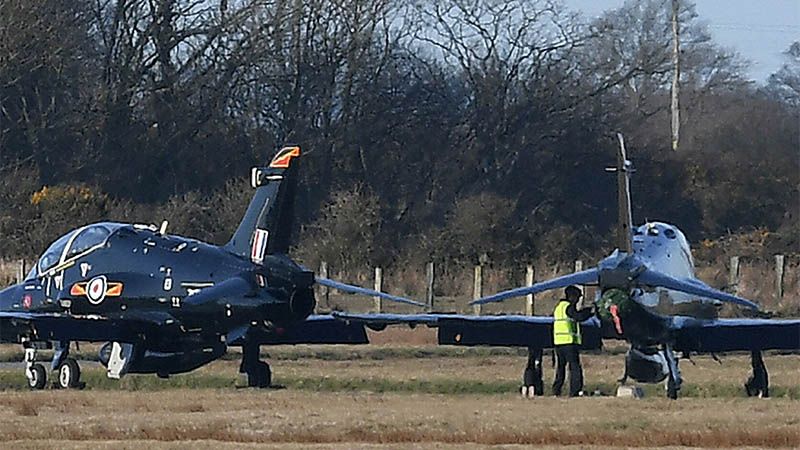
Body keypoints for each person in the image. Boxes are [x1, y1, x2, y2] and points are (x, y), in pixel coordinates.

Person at [552, 285, 594, 397]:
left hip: (558, 342)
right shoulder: (568, 307)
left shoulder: (558, 307)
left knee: (560, 368)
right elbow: (578, 317)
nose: (578, 301)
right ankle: (575, 391)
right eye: (577, 298)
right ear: (572, 296)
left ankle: (556, 390)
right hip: (569, 342)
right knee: (574, 367)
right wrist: (590, 312)